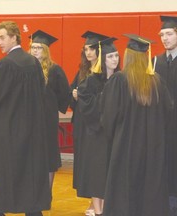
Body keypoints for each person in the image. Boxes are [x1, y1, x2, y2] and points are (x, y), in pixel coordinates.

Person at [0, 21, 51, 216]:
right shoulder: (33, 63)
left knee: (5, 173)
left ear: (14, 37)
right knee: (30, 173)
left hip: (9, 129)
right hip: (32, 129)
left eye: (3, 37)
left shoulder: (5, 64)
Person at [101, 34, 172, 216]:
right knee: (150, 194)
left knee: (124, 195)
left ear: (128, 56)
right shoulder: (157, 83)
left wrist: (115, 140)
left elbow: (109, 119)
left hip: (126, 150)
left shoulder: (119, 81)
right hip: (153, 151)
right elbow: (167, 117)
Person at [77, 37, 120, 216]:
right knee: (96, 172)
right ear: (103, 58)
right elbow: (85, 101)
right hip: (96, 132)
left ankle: (109, 206)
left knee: (111, 170)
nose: (114, 59)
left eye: (116, 56)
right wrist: (104, 106)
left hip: (115, 132)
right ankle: (98, 208)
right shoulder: (92, 80)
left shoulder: (121, 79)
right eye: (110, 56)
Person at [70, 31, 108, 216]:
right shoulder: (82, 71)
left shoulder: (104, 72)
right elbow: (71, 92)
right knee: (87, 164)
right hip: (82, 124)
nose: (89, 52)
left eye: (92, 49)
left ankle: (99, 203)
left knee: (98, 165)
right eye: (86, 49)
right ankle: (94, 202)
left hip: (98, 125)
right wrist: (74, 95)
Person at [29, 29, 70, 193]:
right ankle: (31, 192)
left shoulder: (55, 70)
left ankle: (46, 192)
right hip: (28, 119)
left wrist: (54, 107)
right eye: (33, 47)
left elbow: (64, 93)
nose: (35, 50)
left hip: (47, 120)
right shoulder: (26, 68)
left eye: (39, 47)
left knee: (48, 156)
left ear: (46, 50)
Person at [154, 15, 177, 215]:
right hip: (162, 125)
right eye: (162, 35)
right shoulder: (156, 62)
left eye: (169, 34)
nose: (165, 38)